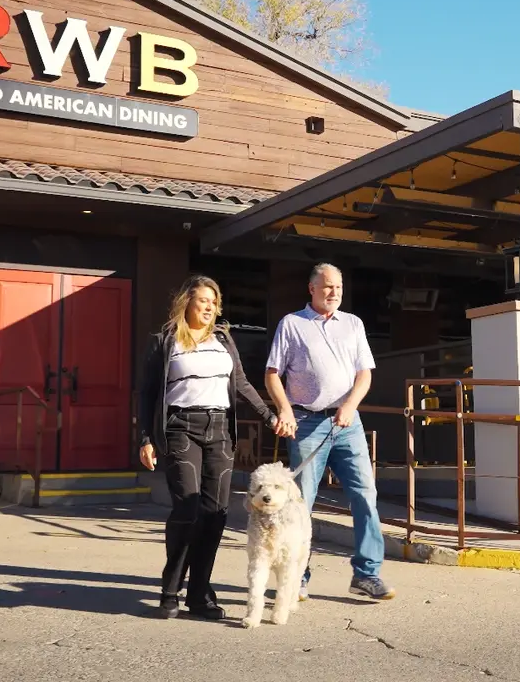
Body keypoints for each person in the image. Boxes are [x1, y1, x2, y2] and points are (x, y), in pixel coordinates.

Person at [139, 274, 276, 620]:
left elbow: (240, 382)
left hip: (220, 431)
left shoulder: (224, 340)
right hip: (181, 428)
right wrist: (145, 438)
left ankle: (199, 593)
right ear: (186, 302)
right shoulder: (164, 341)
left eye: (214, 303)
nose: (210, 308)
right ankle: (171, 588)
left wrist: (268, 415)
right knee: (187, 509)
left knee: (215, 515)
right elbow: (147, 394)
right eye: (203, 301)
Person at [265, 263, 396, 602]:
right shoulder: (292, 324)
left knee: (365, 494)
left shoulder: (353, 324)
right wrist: (285, 409)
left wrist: (350, 405)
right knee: (300, 503)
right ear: (311, 289)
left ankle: (367, 574)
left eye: (338, 287)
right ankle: (298, 577)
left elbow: (364, 374)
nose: (334, 292)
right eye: (327, 287)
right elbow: (272, 374)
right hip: (307, 423)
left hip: (347, 423)